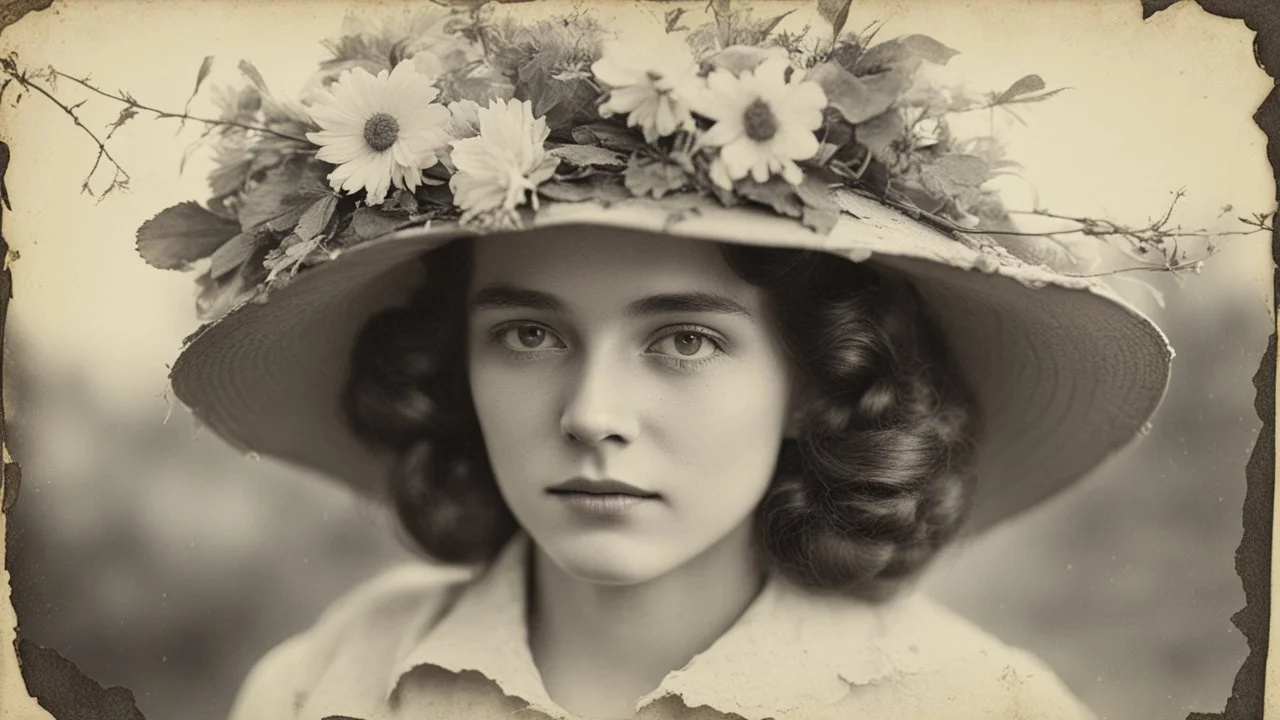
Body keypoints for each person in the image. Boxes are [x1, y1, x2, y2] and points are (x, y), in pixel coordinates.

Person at [123, 3, 1176, 718]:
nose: (590, 414)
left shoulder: (971, 704)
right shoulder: (336, 682)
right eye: (527, 335)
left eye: (683, 340)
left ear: (816, 377)